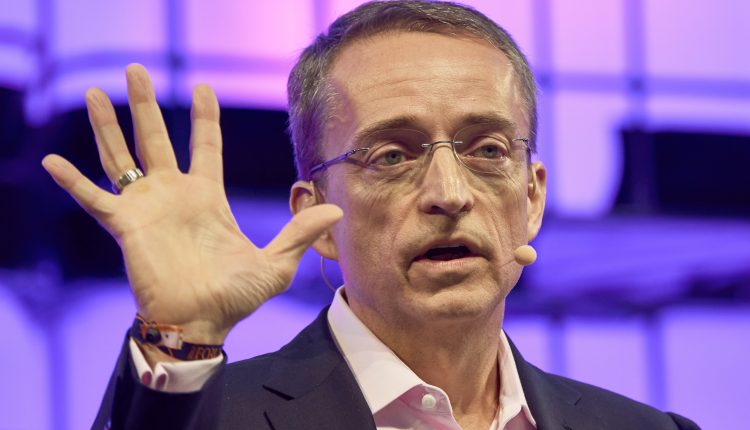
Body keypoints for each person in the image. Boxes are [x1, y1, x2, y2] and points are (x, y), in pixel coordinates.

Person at [42, 1, 700, 429]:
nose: (449, 192)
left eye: (487, 150)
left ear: (532, 200)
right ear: (318, 216)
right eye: (392, 155)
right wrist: (177, 335)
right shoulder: (212, 419)